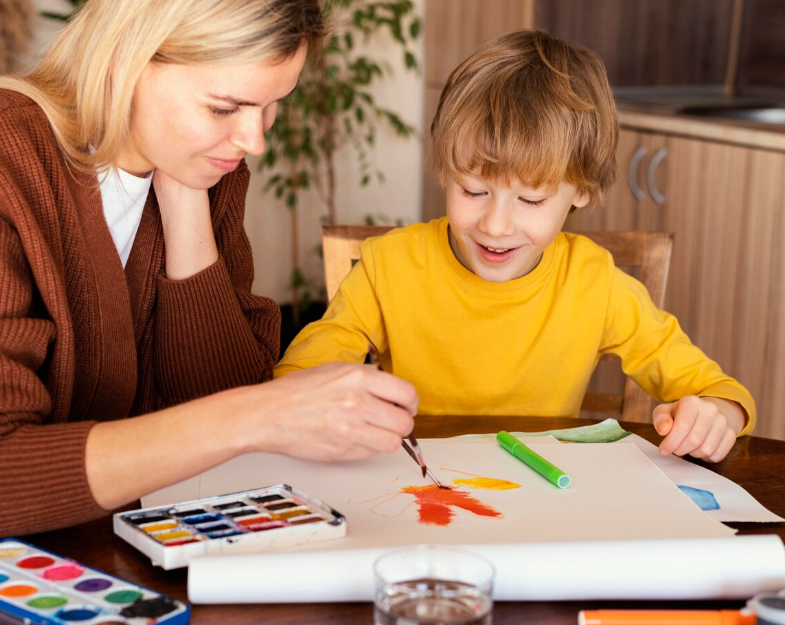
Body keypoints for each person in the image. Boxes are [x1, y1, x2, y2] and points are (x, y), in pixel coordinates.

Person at [0, 0, 418, 569]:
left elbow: (213, 413)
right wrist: (264, 413)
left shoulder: (197, 164)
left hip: (57, 537)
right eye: (224, 107)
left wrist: (185, 201)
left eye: (272, 107)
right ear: (125, 59)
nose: (254, 140)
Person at [275, 30, 755, 463]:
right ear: (444, 170)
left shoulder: (595, 283)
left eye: (530, 198)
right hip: (421, 495)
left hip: (545, 506)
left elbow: (719, 392)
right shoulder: (389, 267)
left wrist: (714, 416)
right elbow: (296, 380)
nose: (496, 224)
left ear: (583, 190)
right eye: (473, 191)